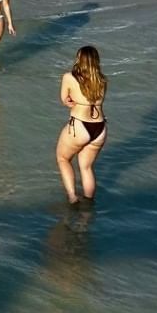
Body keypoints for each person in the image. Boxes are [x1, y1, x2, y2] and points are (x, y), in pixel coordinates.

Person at [55, 45, 109, 204]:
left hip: (79, 125)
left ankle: (72, 197)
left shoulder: (69, 77)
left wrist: (70, 100)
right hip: (100, 128)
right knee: (86, 168)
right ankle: (88, 204)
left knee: (63, 158)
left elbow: (65, 100)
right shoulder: (103, 79)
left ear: (80, 60)